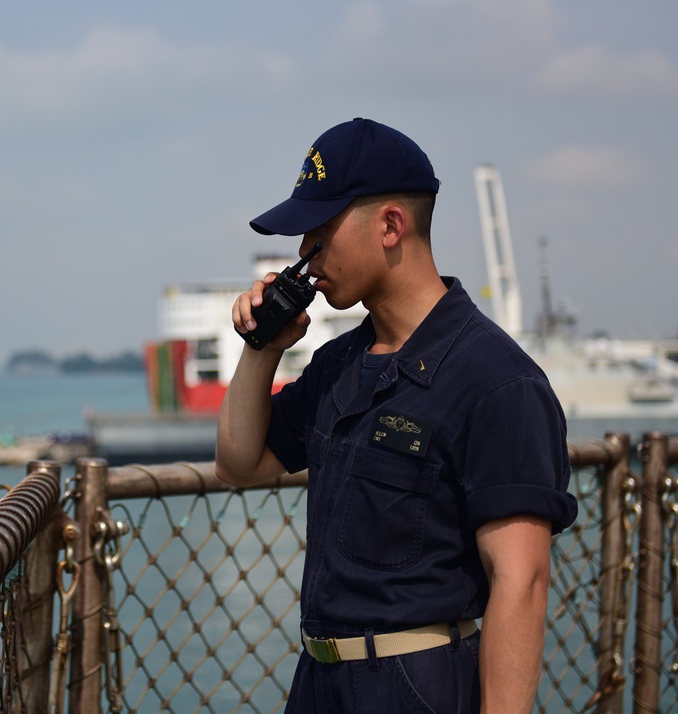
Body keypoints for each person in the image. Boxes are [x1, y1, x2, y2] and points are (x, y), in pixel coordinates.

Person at [215, 118, 578, 713]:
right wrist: (263, 349)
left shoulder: (497, 383)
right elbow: (239, 464)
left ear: (390, 225)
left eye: (320, 231)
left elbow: (522, 582)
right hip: (318, 680)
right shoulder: (340, 363)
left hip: (416, 685)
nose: (303, 257)